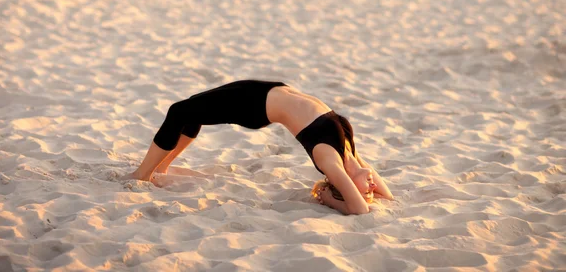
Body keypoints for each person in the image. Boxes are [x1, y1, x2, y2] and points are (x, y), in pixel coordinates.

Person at [121, 80, 393, 214]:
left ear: (341, 183)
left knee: (179, 110)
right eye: (371, 187)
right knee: (189, 112)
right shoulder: (351, 154)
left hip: (256, 104)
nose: (371, 186)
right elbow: (387, 196)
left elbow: (360, 210)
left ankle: (142, 176)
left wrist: (331, 198)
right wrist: (366, 186)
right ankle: (163, 166)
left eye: (365, 189)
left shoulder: (328, 159)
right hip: (270, 90)